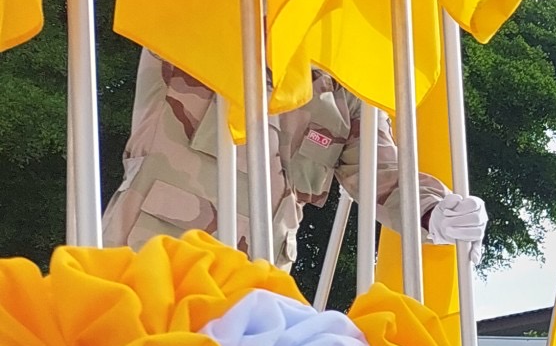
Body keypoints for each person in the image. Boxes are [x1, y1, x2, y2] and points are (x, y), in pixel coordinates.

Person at [103, 48, 485, 264]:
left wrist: (436, 211)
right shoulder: (207, 15)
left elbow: (379, 171)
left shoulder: (344, 88)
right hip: (153, 260)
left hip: (255, 289)